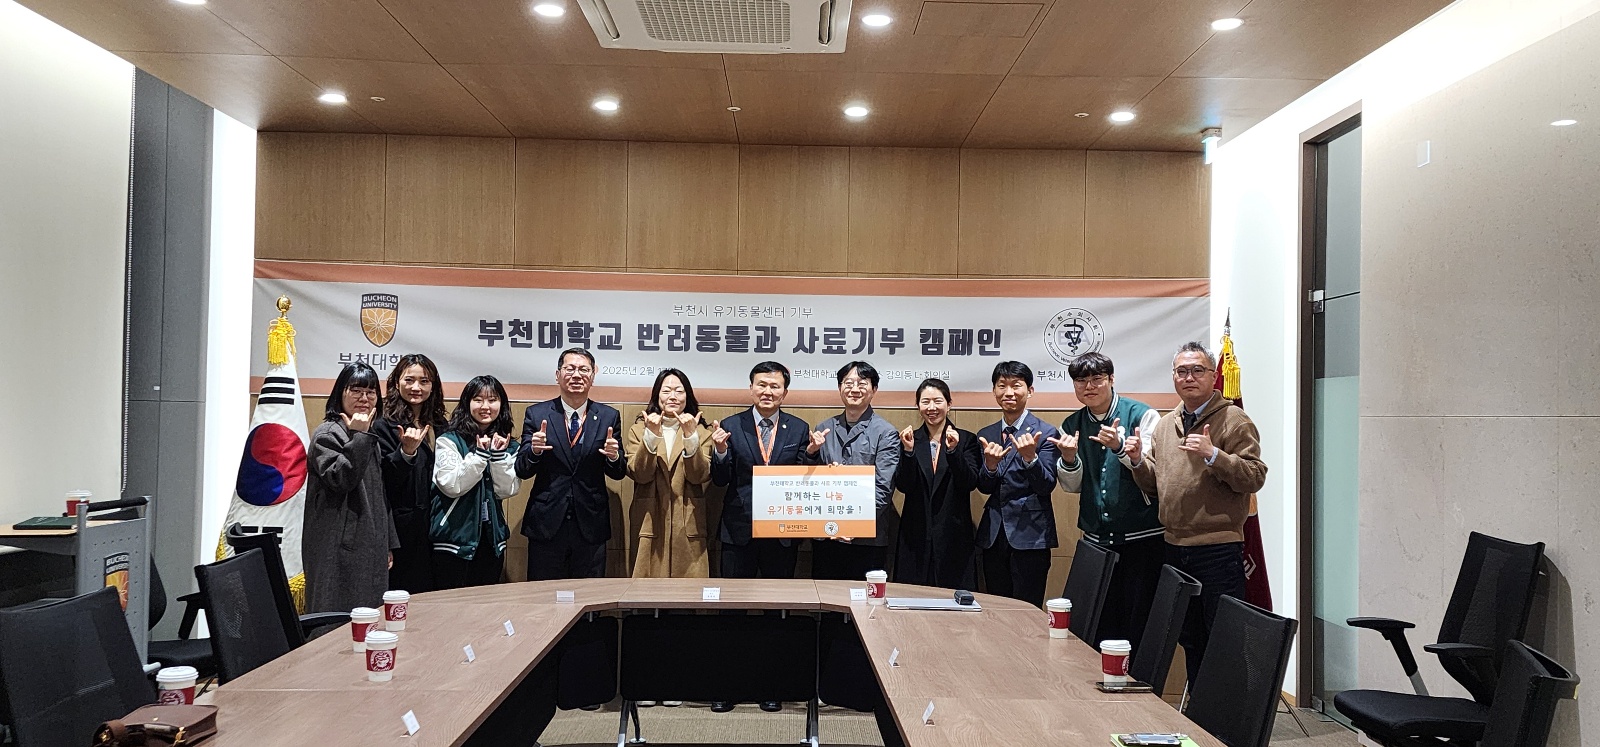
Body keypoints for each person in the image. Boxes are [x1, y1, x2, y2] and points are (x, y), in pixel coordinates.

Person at [1127, 341, 1268, 682]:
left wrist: (1213, 455)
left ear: (1212, 375)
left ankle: (1227, 712)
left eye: (1197, 370)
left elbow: (1255, 476)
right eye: (1182, 371)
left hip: (1217, 550)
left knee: (1223, 638)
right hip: (1174, 548)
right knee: (1189, 637)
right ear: (1173, 377)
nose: (1189, 377)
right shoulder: (1166, 425)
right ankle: (1198, 709)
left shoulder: (1233, 419)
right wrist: (1136, 462)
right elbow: (1154, 485)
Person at [708, 360, 810, 714]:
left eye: (775, 386)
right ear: (751, 388)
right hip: (739, 531)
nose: (768, 391)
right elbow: (720, 480)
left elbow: (802, 477)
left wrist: (812, 454)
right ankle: (727, 686)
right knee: (731, 612)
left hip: (782, 533)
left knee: (776, 614)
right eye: (762, 385)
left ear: (785, 392)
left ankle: (772, 686)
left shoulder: (799, 428)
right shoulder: (730, 425)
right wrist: (721, 452)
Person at [1048, 352, 1162, 645]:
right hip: (1096, 540)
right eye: (1081, 381)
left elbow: (1152, 474)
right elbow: (1072, 487)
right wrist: (1069, 459)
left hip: (1142, 538)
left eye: (1096, 379)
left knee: (1139, 624)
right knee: (1095, 624)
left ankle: (1134, 676)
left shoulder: (1142, 415)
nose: (1089, 386)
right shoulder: (1071, 424)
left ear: (1111, 379)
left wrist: (1121, 447)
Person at [514, 348, 626, 580]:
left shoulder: (608, 416)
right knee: (542, 592)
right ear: (558, 375)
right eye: (570, 369)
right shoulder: (537, 414)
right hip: (547, 522)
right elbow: (522, 470)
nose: (576, 375)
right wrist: (534, 451)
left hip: (590, 522)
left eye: (583, 369)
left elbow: (618, 473)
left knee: (589, 593)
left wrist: (614, 457)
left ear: (592, 376)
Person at [304, 362, 399, 614]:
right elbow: (340, 479)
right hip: (337, 544)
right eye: (356, 390)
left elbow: (380, 492)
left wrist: (388, 542)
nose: (364, 398)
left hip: (370, 542)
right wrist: (359, 436)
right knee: (335, 614)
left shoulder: (367, 435)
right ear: (340, 393)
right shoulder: (327, 434)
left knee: (368, 615)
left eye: (370, 392)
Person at [800, 361, 900, 581]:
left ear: (874, 390)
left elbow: (883, 489)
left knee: (864, 597)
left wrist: (854, 524)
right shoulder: (823, 428)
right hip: (826, 532)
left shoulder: (886, 433)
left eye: (862, 384)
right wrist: (812, 453)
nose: (855, 389)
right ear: (840, 388)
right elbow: (810, 481)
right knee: (825, 596)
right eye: (848, 383)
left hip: (865, 538)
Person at [974, 360, 1061, 608]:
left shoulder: (1045, 432)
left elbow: (1046, 486)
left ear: (1029, 391)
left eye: (1016, 385)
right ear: (994, 391)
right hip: (994, 535)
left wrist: (1030, 459)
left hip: (1031, 534)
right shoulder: (987, 433)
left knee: (1027, 608)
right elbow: (985, 487)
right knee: (996, 607)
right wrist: (990, 466)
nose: (1009, 392)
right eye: (1002, 386)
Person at [431, 375, 520, 590]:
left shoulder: (508, 445)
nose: (485, 406)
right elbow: (452, 486)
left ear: (502, 405)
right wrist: (480, 456)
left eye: (492, 400)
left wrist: (497, 456)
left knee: (486, 605)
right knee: (449, 604)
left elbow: (507, 490)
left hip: (491, 541)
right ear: (466, 403)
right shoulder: (449, 440)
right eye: (478, 400)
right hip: (453, 540)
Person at [624, 368, 713, 578]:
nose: (673, 396)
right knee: (647, 588)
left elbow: (698, 476)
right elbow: (640, 474)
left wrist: (691, 437)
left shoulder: (701, 432)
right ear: (657, 395)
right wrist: (651, 437)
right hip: (650, 518)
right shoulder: (639, 430)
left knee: (688, 590)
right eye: (666, 391)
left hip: (687, 522)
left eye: (679, 391)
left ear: (687, 396)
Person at [893, 378, 981, 588]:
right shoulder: (908, 439)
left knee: (953, 597)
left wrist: (953, 451)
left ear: (949, 404)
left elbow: (969, 483)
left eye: (938, 401)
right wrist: (908, 452)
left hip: (954, 535)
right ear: (918, 406)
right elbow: (904, 486)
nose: (931, 408)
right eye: (925, 402)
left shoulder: (966, 440)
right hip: (915, 535)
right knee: (912, 597)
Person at [372, 354, 448, 594]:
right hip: (401, 528)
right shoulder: (383, 424)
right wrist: (406, 452)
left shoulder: (440, 423)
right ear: (397, 383)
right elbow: (382, 480)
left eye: (424, 381)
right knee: (403, 596)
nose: (416, 387)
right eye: (409, 380)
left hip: (436, 525)